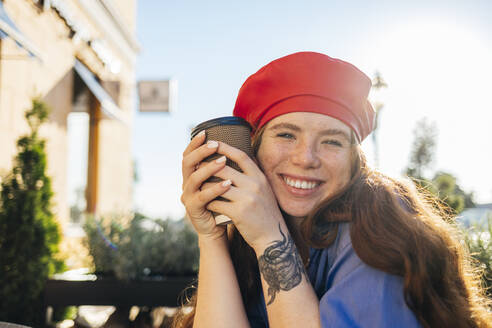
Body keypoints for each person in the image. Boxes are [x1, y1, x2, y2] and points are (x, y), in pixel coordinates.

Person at [175, 52, 491, 328]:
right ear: (254, 149)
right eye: (286, 135)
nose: (305, 158)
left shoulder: (382, 221)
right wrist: (212, 236)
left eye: (332, 141)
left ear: (354, 159)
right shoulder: (249, 229)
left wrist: (270, 237)